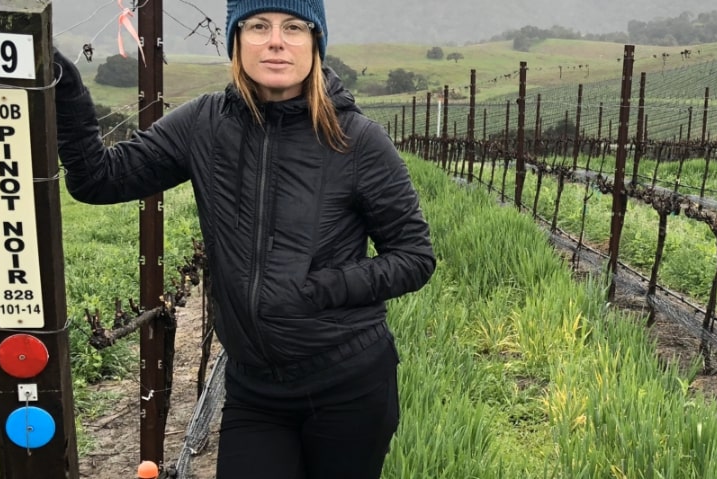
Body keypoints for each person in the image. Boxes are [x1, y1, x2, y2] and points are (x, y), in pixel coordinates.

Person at [53, 0, 436, 477]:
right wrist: (63, 85)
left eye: (294, 27)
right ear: (237, 40)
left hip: (348, 385)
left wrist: (318, 288)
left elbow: (415, 257)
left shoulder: (355, 139)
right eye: (258, 25)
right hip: (255, 391)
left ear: (315, 42)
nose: (276, 40)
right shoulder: (204, 124)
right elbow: (99, 179)